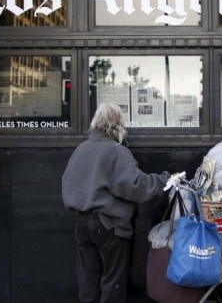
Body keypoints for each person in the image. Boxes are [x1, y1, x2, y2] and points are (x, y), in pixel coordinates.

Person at [62, 103, 171, 303]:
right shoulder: (116, 151)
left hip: (81, 224)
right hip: (109, 225)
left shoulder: (81, 149)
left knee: (88, 281)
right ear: (118, 124)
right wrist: (165, 181)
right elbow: (136, 185)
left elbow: (67, 184)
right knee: (113, 283)